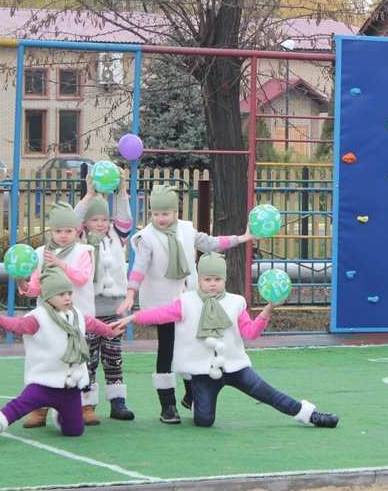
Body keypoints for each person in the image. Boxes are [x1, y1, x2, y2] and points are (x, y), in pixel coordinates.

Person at [112, 252, 339, 429]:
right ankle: (192, 395)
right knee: (204, 421)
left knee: (269, 394)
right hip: (203, 372)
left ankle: (309, 415)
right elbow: (160, 314)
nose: (212, 284)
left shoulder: (235, 302)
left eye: (217, 279)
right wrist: (133, 317)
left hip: (235, 366)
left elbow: (249, 333)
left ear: (225, 280)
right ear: (199, 280)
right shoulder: (185, 301)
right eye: (207, 279)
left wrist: (267, 310)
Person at [127, 183, 256, 424]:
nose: (160, 218)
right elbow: (139, 267)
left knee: (193, 346)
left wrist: (243, 238)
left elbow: (211, 243)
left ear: (176, 212)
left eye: (165, 213)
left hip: (192, 301)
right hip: (163, 303)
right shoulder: (146, 237)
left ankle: (190, 393)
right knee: (166, 350)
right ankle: (167, 405)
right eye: (156, 214)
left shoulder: (186, 230)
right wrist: (130, 292)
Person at [0, 265, 115, 447]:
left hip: (70, 387)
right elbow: (14, 324)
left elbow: (95, 325)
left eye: (69, 293)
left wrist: (111, 330)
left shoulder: (77, 315)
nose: (68, 297)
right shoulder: (37, 318)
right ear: (48, 297)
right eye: (61, 294)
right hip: (43, 384)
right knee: (17, 408)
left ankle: (61, 414)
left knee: (75, 432)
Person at [15, 201, 94, 428]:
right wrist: (22, 281)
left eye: (68, 231)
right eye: (58, 231)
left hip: (75, 318)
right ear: (51, 231)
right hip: (49, 319)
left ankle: (81, 406)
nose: (63, 235)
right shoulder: (41, 253)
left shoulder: (83, 251)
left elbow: (81, 278)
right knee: (44, 359)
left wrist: (60, 264)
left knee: (77, 361)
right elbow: (35, 288)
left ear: (76, 231)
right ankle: (38, 410)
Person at [73, 171, 135, 423]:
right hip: (88, 309)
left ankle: (117, 401)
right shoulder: (78, 240)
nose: (100, 224)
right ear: (86, 223)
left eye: (104, 219)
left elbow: (126, 220)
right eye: (95, 220)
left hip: (113, 307)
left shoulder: (115, 238)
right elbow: (73, 219)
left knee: (113, 354)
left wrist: (122, 190)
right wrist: (88, 195)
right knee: (89, 357)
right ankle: (87, 403)